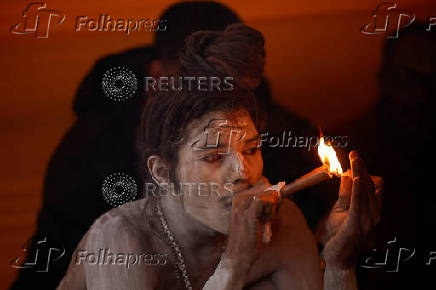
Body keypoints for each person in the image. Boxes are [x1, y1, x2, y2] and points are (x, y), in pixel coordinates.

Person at [57, 23, 381, 290]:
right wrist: (235, 263)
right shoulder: (121, 238)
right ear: (161, 172)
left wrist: (339, 262)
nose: (243, 171)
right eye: (213, 157)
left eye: (251, 149)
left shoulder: (283, 222)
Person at [10, 2, 242, 289]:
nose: (215, 110)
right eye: (196, 91)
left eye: (228, 90)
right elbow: (54, 263)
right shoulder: (92, 154)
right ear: (157, 77)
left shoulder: (258, 121)